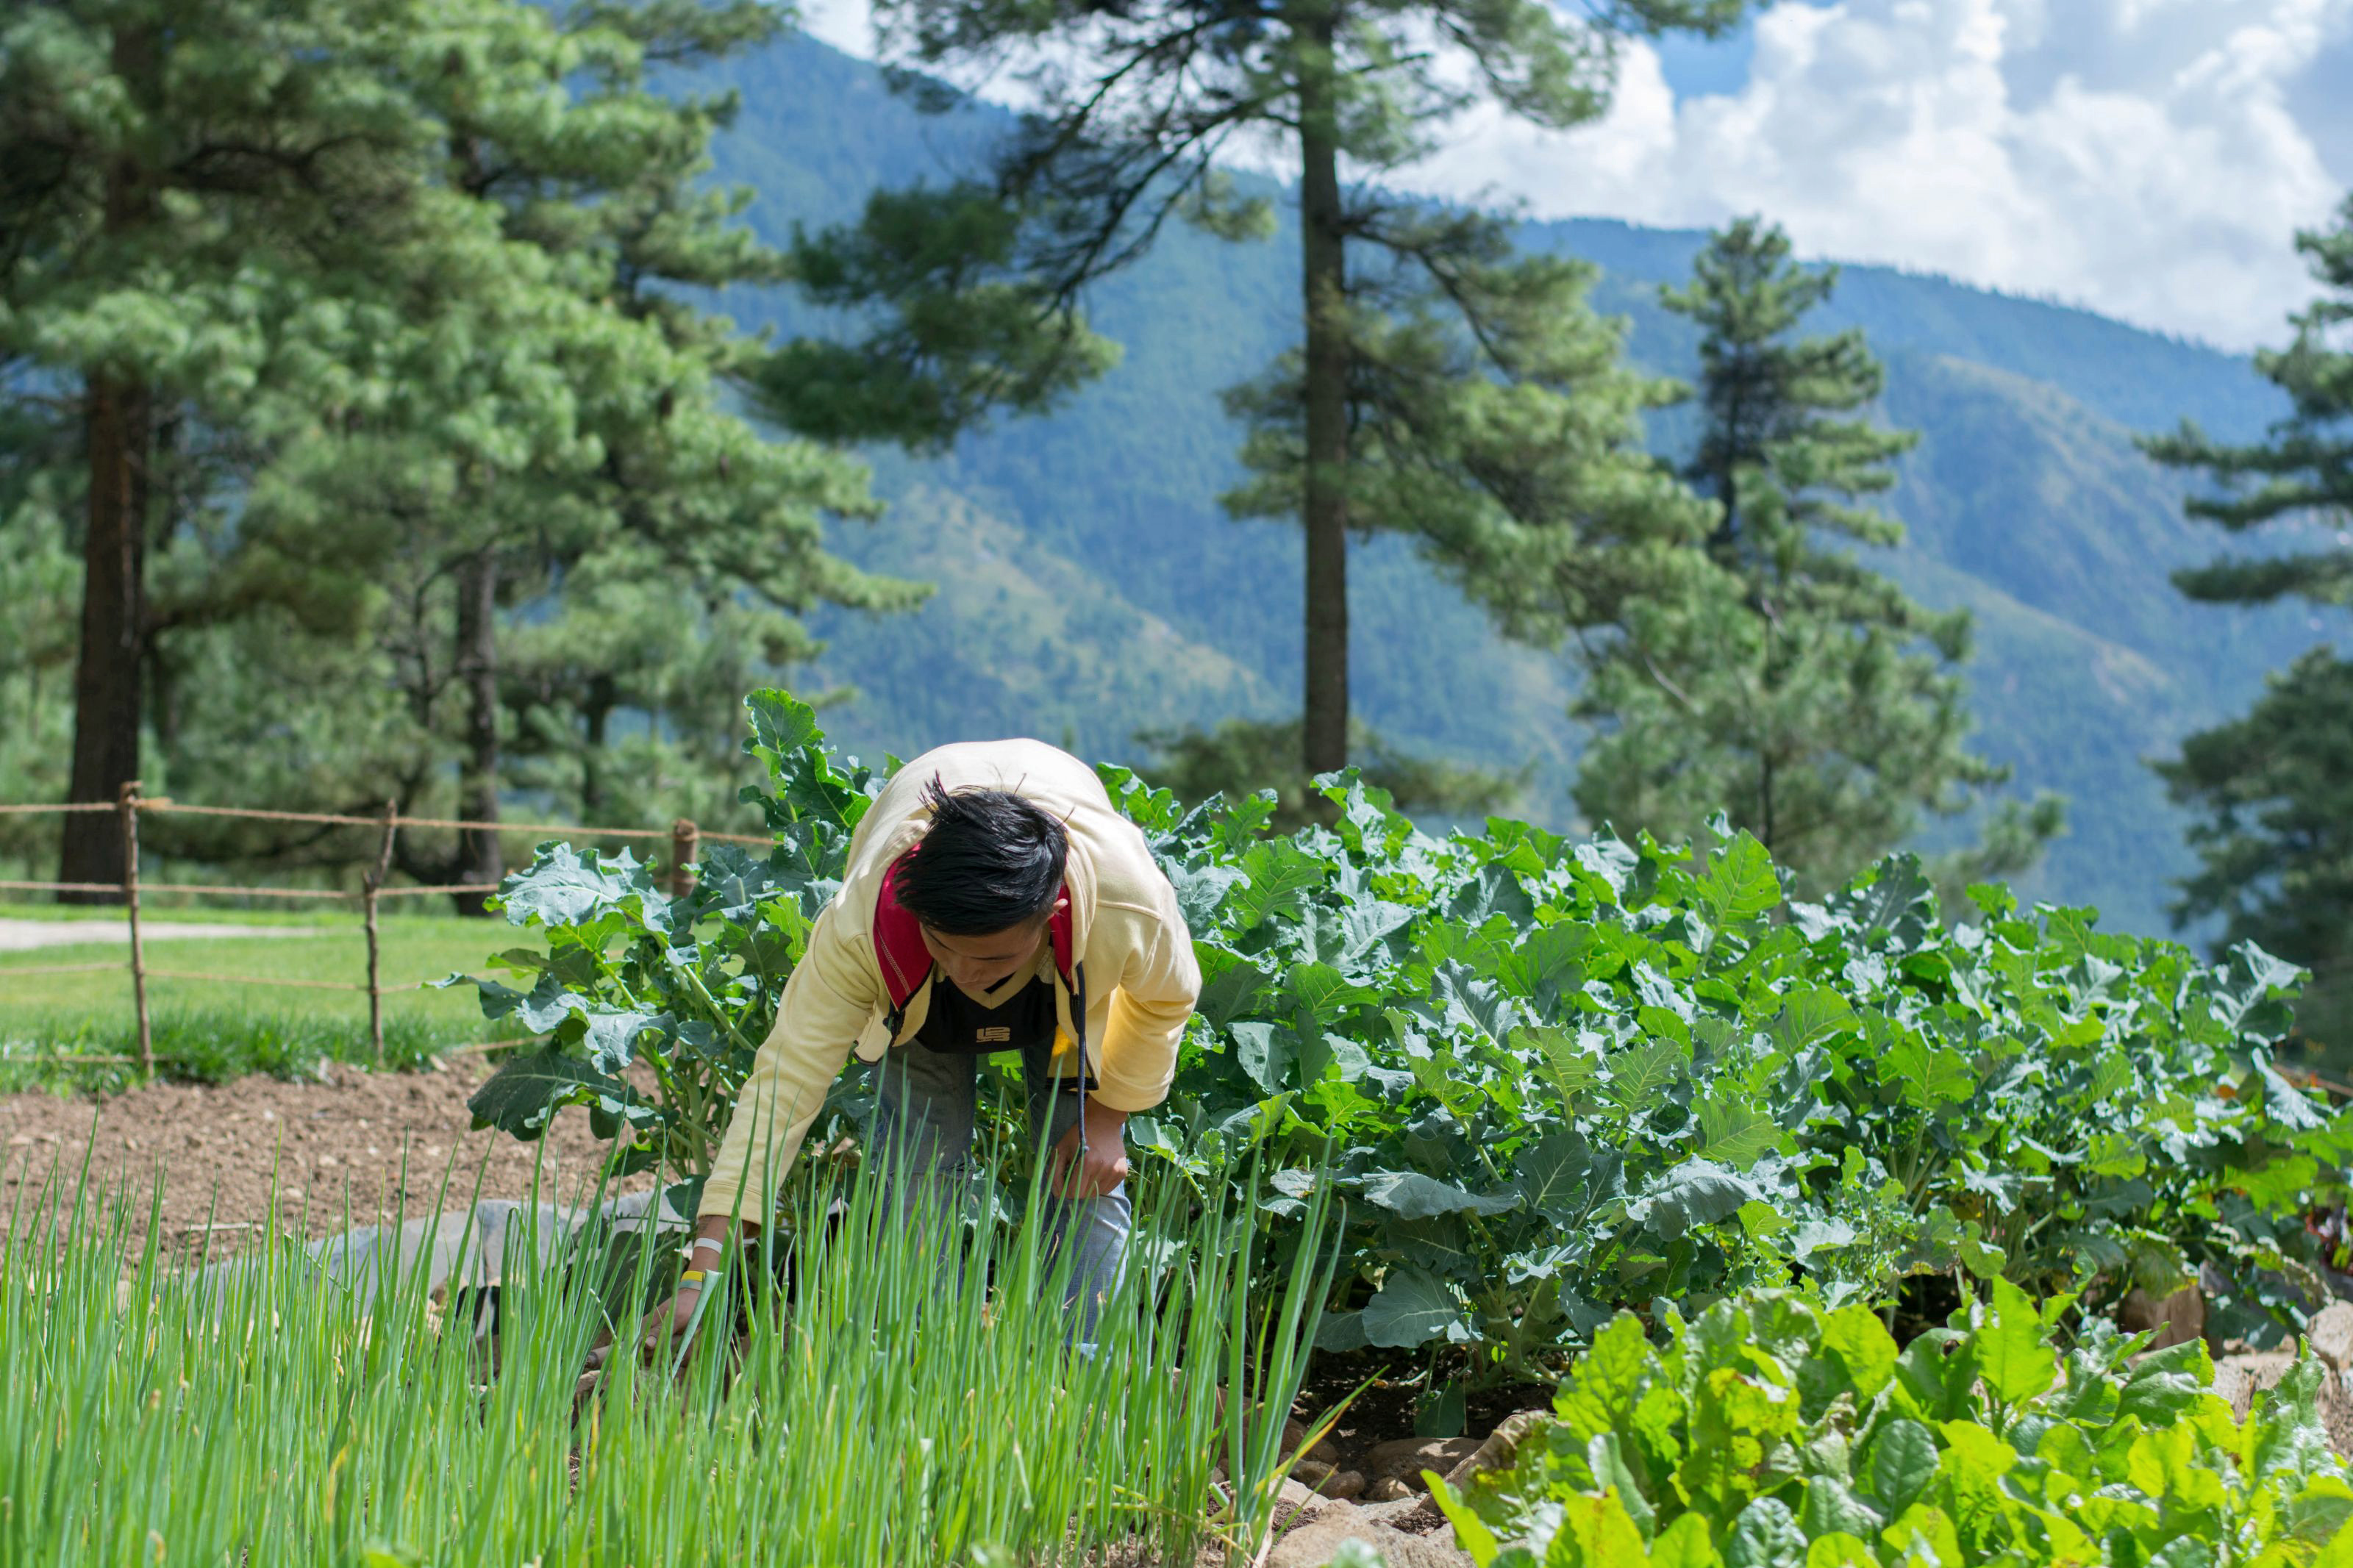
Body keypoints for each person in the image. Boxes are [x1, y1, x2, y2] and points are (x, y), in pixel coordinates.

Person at [620, 738, 1200, 1364]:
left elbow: (1168, 997)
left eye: (990, 958)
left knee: (1083, 1157)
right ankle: (930, 1357)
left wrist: (1110, 1118)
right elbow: (786, 1077)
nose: (966, 973)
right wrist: (702, 1268)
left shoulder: (1124, 903)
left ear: (1050, 912)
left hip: (1066, 996)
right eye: (944, 945)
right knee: (919, 1166)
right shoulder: (868, 923)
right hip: (917, 999)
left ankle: (1090, 1367)